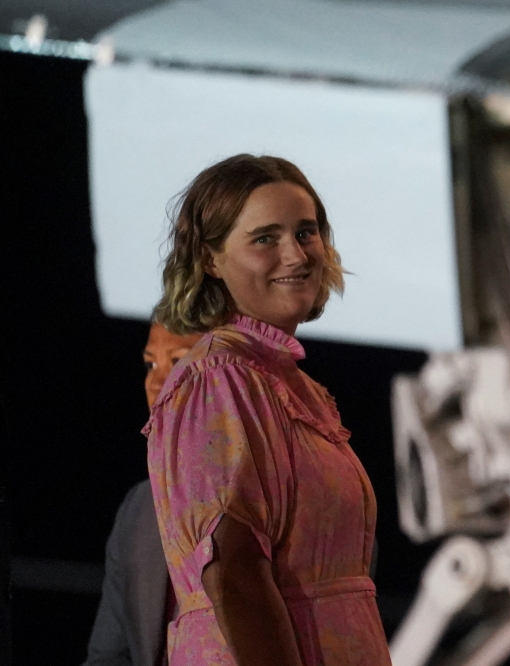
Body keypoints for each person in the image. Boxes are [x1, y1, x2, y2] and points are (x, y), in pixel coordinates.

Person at [143, 154, 391, 666]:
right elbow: (233, 574)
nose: (296, 255)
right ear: (211, 258)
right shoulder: (220, 379)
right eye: (265, 239)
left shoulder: (289, 383)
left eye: (306, 232)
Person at [84, 323, 201, 666]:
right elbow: (108, 656)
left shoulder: (292, 495)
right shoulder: (141, 506)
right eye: (151, 364)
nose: (155, 382)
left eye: (178, 361)